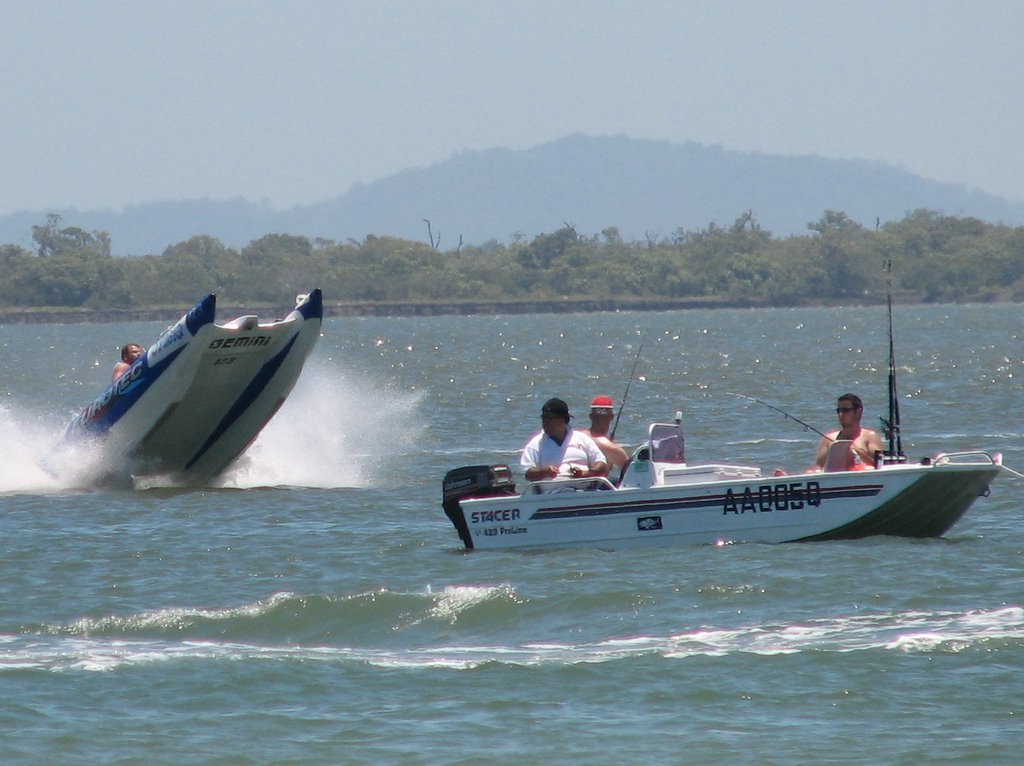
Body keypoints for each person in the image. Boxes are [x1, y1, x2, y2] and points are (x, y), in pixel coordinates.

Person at [521, 397, 609, 481]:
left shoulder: (582, 439)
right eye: (544, 418)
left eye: (550, 419)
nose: (546, 422)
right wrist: (544, 472)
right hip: (552, 494)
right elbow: (527, 473)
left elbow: (601, 464)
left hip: (584, 492)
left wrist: (585, 473)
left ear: (564, 420)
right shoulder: (535, 444)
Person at [813, 393, 884, 470]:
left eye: (845, 410)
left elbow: (880, 466)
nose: (840, 414)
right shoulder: (828, 439)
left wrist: (859, 452)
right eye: (838, 410)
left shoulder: (870, 436)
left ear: (858, 412)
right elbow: (818, 467)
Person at [576, 395, 629, 471]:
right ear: (611, 417)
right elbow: (629, 469)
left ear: (590, 416)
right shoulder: (609, 446)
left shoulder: (577, 435)